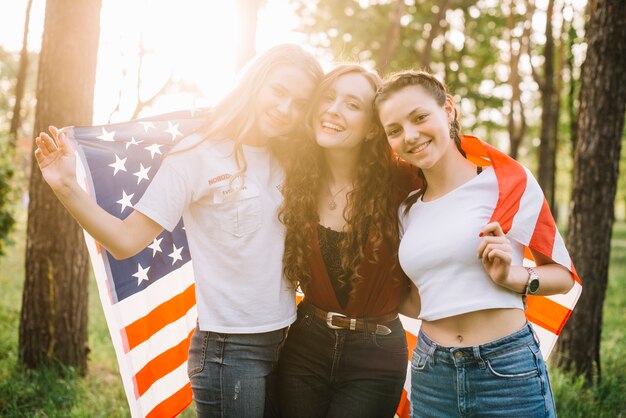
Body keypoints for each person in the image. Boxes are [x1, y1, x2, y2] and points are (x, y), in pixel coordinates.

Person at [33, 44, 323, 418]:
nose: (286, 109)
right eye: (279, 92)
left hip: (290, 339)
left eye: (300, 103)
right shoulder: (197, 153)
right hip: (230, 352)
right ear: (256, 84)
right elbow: (126, 241)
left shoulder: (294, 160)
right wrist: (65, 187)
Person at [374, 70, 576, 417]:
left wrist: (514, 278)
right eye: (394, 130)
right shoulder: (405, 209)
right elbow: (419, 298)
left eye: (420, 117)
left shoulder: (507, 183)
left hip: (506, 370)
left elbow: (563, 276)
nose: (410, 136)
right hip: (430, 371)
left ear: (448, 110)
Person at [276, 64, 420, 418]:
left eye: (352, 104)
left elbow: (458, 165)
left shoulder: (406, 182)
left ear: (374, 128)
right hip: (305, 342)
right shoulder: (293, 176)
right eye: (327, 97)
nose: (333, 109)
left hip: (376, 351)